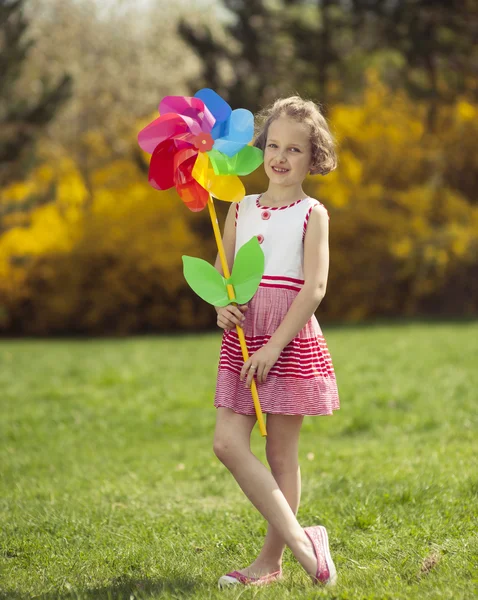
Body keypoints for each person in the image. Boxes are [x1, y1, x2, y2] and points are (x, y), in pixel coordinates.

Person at [212, 96, 340, 588]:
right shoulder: (238, 209)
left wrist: (274, 348)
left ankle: (271, 562)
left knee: (281, 455)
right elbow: (224, 277)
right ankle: (308, 544)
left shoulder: (313, 214)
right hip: (245, 339)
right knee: (227, 443)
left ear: (314, 158)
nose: (280, 157)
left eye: (295, 149)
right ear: (262, 148)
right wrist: (221, 307)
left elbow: (314, 288)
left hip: (286, 336)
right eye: (273, 145)